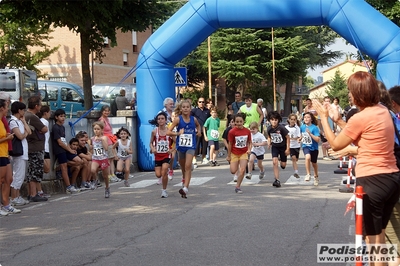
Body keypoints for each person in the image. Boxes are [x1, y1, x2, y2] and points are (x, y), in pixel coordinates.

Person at [313, 71, 400, 249]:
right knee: (380, 237)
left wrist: (323, 117)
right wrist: (337, 121)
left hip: (372, 180)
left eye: (350, 91)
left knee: (373, 241)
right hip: (391, 178)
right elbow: (362, 135)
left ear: (358, 94)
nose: (349, 95)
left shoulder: (360, 117)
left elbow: (336, 144)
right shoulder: (382, 110)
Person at [167, 100, 201, 198]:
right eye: (184, 107)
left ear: (190, 109)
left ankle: (185, 188)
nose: (186, 108)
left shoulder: (193, 119)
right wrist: (177, 133)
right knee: (183, 167)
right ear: (181, 109)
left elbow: (198, 125)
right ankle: (184, 177)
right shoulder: (178, 119)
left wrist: (198, 132)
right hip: (181, 146)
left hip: (191, 146)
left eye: (187, 107)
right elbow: (168, 132)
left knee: (187, 165)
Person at [25, 95, 49, 202]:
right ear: (36, 106)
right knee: (35, 171)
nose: (40, 106)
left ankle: (31, 193)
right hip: (35, 147)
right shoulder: (32, 117)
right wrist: (42, 129)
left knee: (31, 171)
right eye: (39, 104)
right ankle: (34, 194)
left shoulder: (26, 115)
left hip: (30, 146)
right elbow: (44, 129)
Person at [51, 109, 79, 193]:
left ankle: (60, 169)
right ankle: (68, 186)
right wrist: (69, 150)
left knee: (78, 162)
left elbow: (64, 140)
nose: (63, 118)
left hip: (65, 149)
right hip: (59, 150)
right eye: (61, 116)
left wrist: (70, 149)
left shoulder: (62, 127)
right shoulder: (55, 127)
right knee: (64, 167)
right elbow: (59, 142)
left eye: (64, 116)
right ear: (56, 117)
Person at [0, 99, 20, 214]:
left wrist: (7, 136)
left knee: (9, 179)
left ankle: (6, 204)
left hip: (4, 153)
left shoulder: (2, 121)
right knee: (0, 180)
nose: (8, 109)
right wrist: (7, 138)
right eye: (6, 107)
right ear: (1, 108)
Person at [9, 101, 31, 206]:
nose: (24, 112)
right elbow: (20, 136)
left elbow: (29, 132)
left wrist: (24, 122)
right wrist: (25, 132)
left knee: (21, 175)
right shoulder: (13, 122)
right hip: (18, 152)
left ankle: (17, 196)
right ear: (19, 110)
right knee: (17, 175)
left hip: (24, 151)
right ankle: (14, 197)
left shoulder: (20, 121)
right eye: (23, 110)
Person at [150, 112, 175, 198]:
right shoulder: (154, 132)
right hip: (158, 155)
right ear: (157, 121)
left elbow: (176, 143)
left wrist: (171, 150)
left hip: (166, 155)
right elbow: (150, 143)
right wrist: (153, 148)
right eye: (159, 119)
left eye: (162, 119)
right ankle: (165, 175)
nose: (160, 120)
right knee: (158, 174)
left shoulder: (169, 131)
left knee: (164, 171)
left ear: (165, 120)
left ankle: (164, 190)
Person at [227, 113, 252, 194]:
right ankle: (235, 166)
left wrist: (249, 149)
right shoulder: (232, 132)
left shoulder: (247, 131)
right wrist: (229, 155)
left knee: (242, 169)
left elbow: (249, 142)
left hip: (243, 153)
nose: (238, 123)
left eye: (240, 121)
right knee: (233, 171)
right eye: (237, 122)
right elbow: (230, 144)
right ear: (234, 122)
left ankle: (238, 186)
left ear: (243, 121)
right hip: (234, 153)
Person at [266, 111, 290, 188]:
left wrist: (288, 149)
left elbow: (288, 137)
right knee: (274, 162)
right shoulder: (269, 128)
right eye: (272, 120)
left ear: (278, 120)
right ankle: (277, 180)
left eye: (276, 120)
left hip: (283, 147)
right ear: (269, 120)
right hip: (275, 147)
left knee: (283, 165)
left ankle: (281, 159)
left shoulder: (281, 128)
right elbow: (269, 136)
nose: (274, 122)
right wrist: (269, 142)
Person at [98, 105, 119, 182]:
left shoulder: (107, 119)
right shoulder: (102, 120)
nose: (107, 112)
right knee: (108, 159)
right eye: (105, 111)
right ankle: (109, 175)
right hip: (107, 140)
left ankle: (113, 174)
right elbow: (101, 132)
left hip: (111, 140)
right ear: (102, 111)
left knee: (112, 158)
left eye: (108, 111)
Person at [90, 121, 111, 198]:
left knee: (105, 176)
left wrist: (102, 140)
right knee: (92, 170)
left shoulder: (104, 137)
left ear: (102, 130)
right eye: (94, 129)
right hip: (95, 158)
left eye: (98, 129)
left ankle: (107, 188)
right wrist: (90, 148)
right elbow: (91, 150)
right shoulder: (92, 138)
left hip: (103, 159)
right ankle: (95, 181)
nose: (96, 131)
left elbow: (106, 148)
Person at [299, 112, 320, 185]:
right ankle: (308, 174)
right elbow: (302, 135)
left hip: (314, 147)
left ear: (311, 119)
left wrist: (310, 134)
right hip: (306, 146)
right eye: (305, 117)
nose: (306, 119)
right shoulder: (302, 127)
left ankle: (316, 176)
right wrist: (300, 138)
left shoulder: (314, 127)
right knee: (307, 157)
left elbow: (318, 139)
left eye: (308, 117)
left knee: (314, 163)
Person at [190, 97, 210, 166]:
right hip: (196, 130)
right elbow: (190, 119)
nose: (201, 103)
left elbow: (209, 120)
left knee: (205, 145)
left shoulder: (207, 111)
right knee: (196, 145)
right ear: (197, 103)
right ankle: (194, 158)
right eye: (200, 102)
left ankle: (204, 158)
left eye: (203, 102)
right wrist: (193, 127)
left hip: (204, 131)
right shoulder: (194, 111)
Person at [38, 105, 51, 198]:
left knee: (46, 169)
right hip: (42, 148)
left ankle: (39, 190)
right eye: (49, 112)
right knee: (41, 169)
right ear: (45, 112)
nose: (50, 114)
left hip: (46, 147)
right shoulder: (43, 121)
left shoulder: (46, 121)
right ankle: (39, 190)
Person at [285, 113, 301, 179]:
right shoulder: (285, 127)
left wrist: (298, 139)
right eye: (291, 119)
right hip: (290, 145)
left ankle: (295, 167)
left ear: (296, 120)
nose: (292, 121)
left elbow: (298, 136)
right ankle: (296, 172)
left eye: (294, 119)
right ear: (289, 120)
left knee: (296, 159)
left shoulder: (297, 128)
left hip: (296, 146)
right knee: (294, 158)